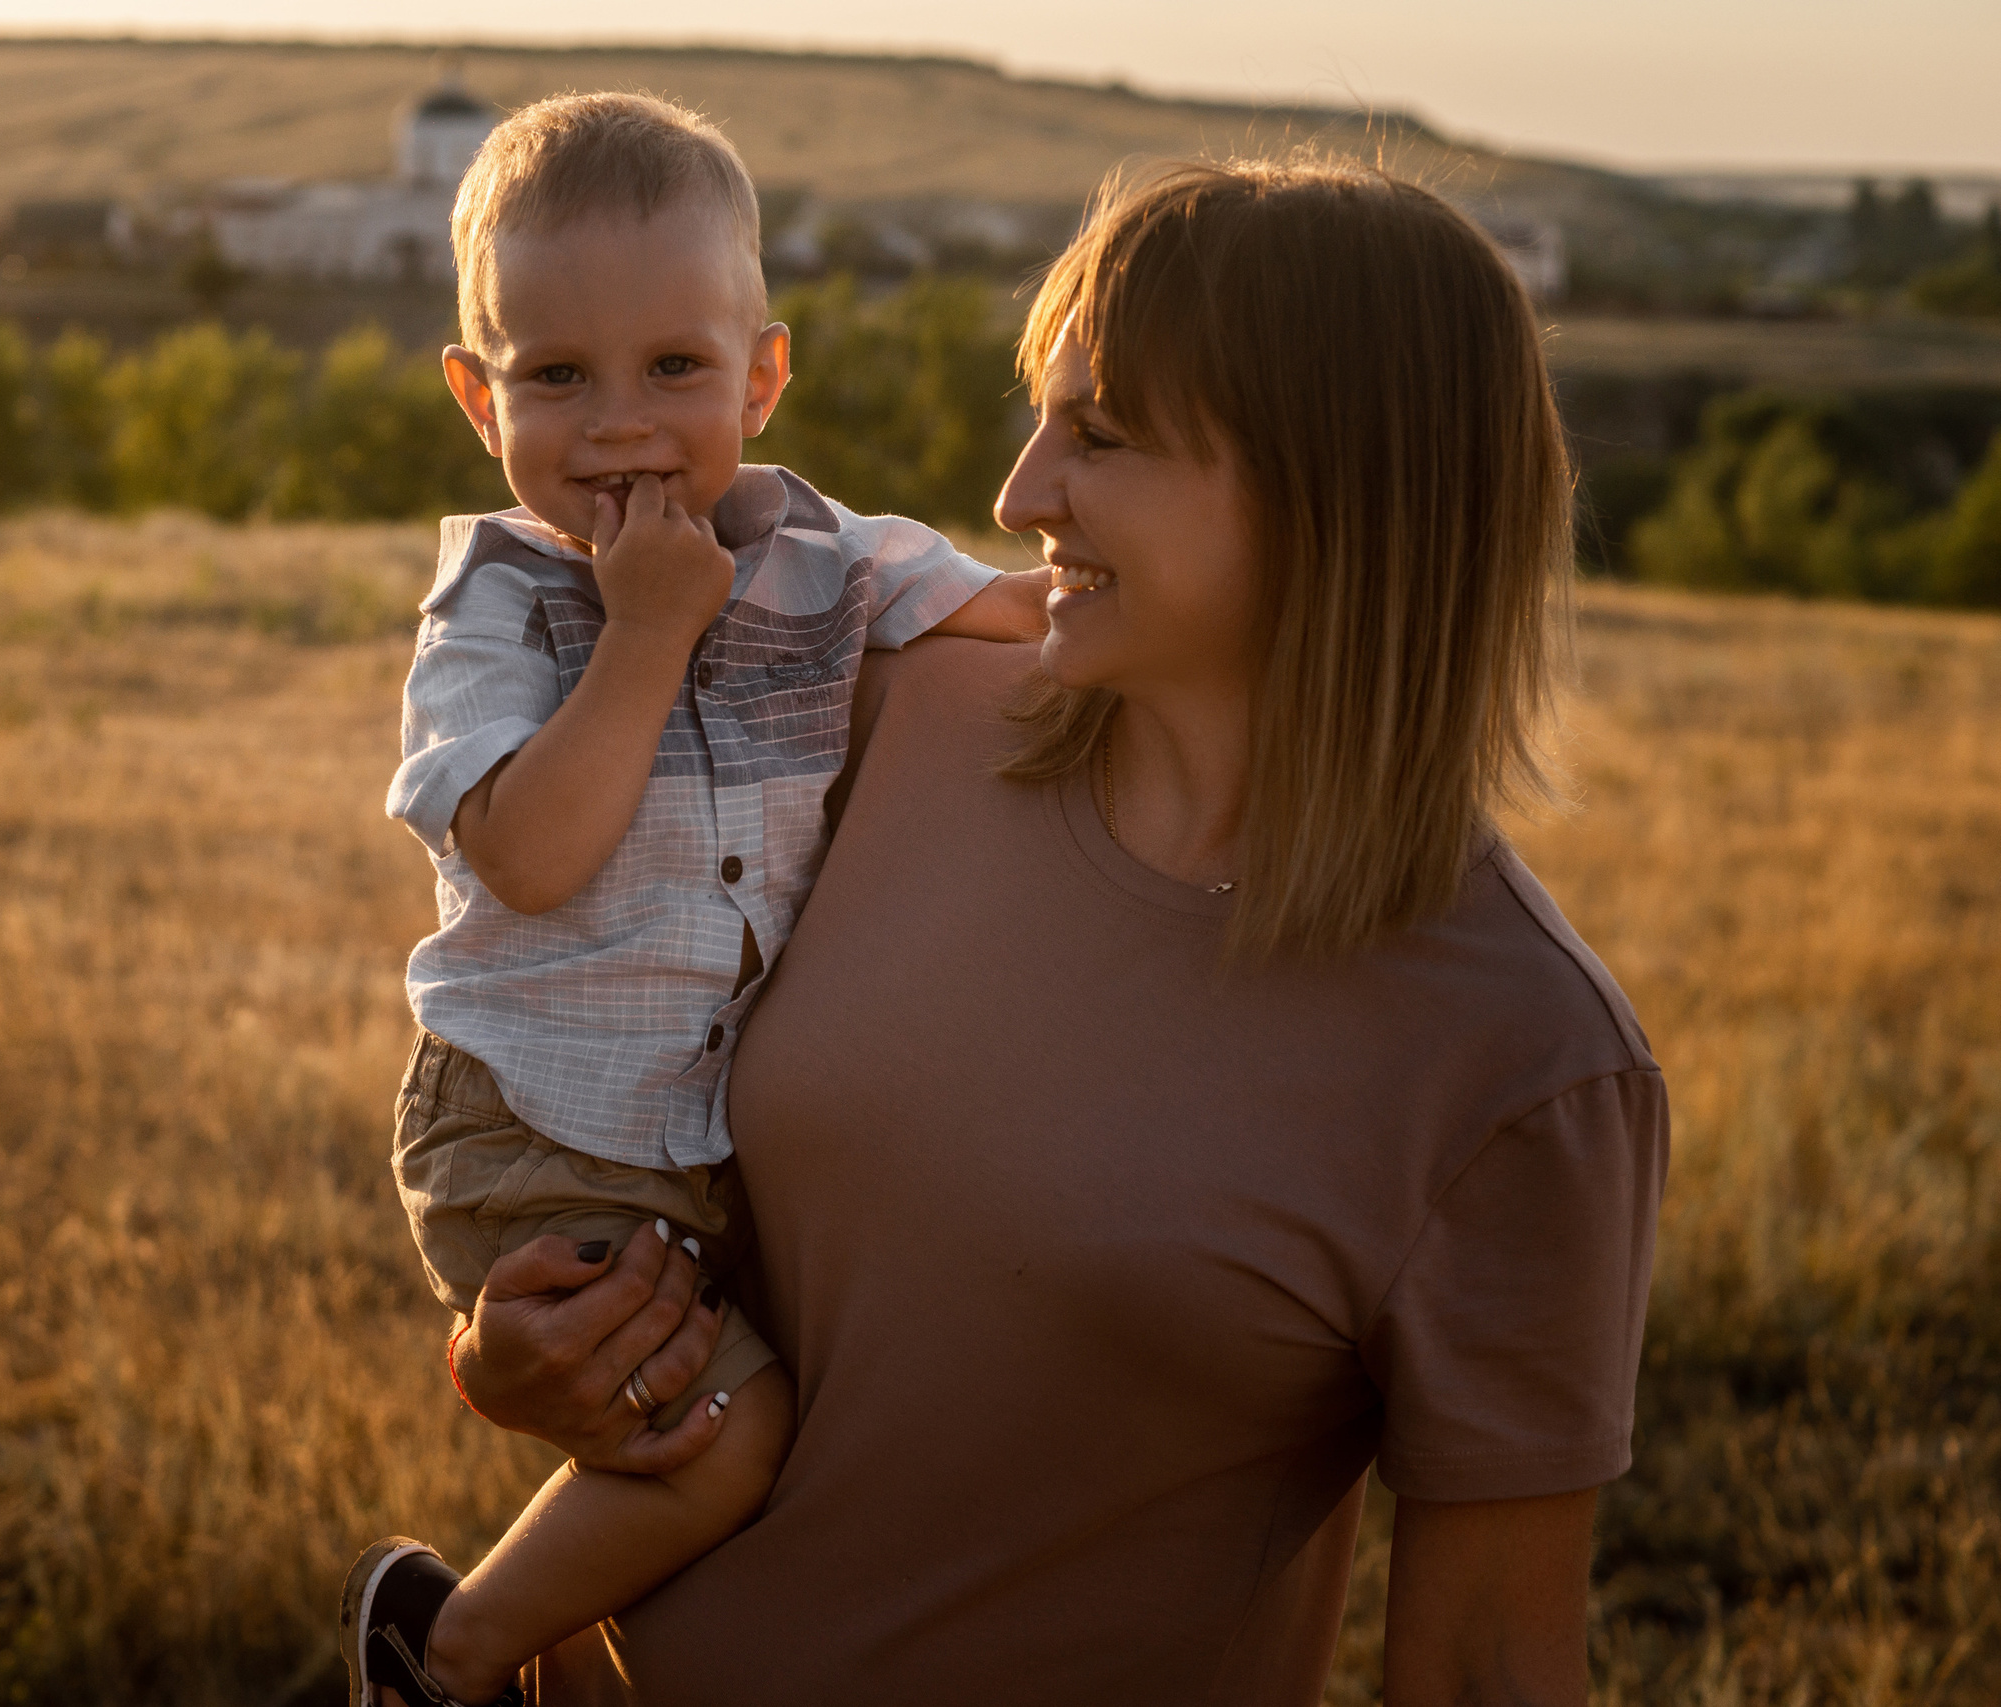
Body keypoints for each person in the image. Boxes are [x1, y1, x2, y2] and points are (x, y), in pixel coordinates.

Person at [444, 159, 1671, 1705]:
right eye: (1044, 418)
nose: (1022, 496)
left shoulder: (1523, 1063)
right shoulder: (889, 718)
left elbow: (1493, 1667)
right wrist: (532, 1348)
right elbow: (644, 1117)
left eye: (1102, 437)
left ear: (1340, 486)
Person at [343, 92, 1048, 1707]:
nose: (619, 427)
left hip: (701, 1137)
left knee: (682, 1464)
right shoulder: (499, 609)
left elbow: (1015, 616)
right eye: (556, 376)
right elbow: (524, 853)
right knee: (726, 1444)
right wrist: (647, 632)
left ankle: (545, 1681)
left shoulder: (827, 556)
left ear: (764, 373)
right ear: (477, 394)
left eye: (676, 368)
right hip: (532, 1120)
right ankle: (433, 1654)